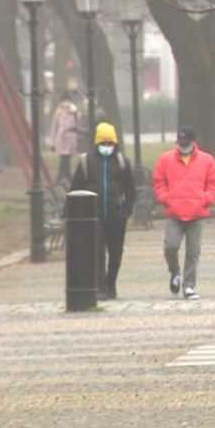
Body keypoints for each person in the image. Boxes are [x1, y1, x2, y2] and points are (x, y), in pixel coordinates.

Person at [152, 125, 215, 300]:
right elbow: (158, 182)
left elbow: (214, 184)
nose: (182, 145)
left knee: (193, 251)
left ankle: (189, 285)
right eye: (180, 141)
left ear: (193, 142)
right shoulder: (165, 160)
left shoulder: (207, 160)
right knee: (171, 246)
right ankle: (175, 272)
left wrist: (205, 199)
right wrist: (166, 198)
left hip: (197, 213)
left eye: (186, 141)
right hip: (174, 213)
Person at [71, 123, 135, 300]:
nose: (107, 147)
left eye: (110, 143)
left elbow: (130, 189)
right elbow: (75, 187)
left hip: (116, 217)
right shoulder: (87, 162)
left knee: (115, 252)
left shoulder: (122, 162)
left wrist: (127, 210)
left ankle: (111, 283)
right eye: (103, 143)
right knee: (97, 253)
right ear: (97, 143)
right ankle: (100, 287)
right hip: (94, 216)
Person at [48, 94, 81, 184]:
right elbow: (54, 127)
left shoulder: (74, 111)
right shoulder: (58, 112)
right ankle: (65, 177)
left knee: (66, 159)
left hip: (71, 139)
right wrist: (52, 143)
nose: (66, 103)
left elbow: (78, 124)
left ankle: (61, 177)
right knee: (64, 159)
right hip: (61, 139)